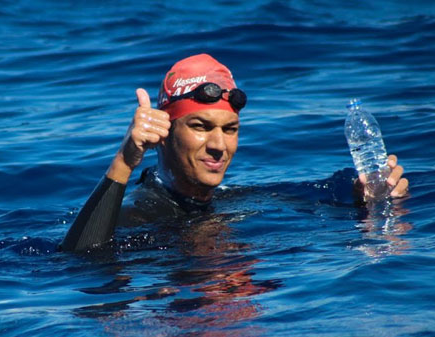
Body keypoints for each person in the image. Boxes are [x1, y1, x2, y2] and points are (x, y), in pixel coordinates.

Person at [61, 54, 409, 252]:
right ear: (164, 134)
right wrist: (124, 161)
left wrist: (369, 202)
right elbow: (81, 262)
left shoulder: (233, 201)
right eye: (200, 126)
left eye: (230, 130)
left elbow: (326, 209)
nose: (219, 145)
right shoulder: (137, 215)